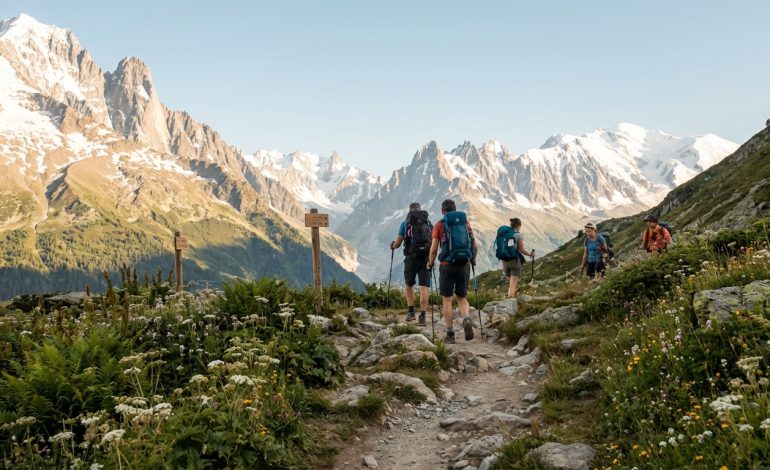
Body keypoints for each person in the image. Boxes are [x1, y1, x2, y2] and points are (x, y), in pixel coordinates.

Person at [427, 199, 479, 344]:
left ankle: (450, 333)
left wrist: (430, 263)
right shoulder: (465, 224)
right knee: (462, 297)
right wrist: (473, 259)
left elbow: (433, 249)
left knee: (447, 299)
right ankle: (466, 318)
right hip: (464, 264)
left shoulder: (440, 224)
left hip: (446, 265)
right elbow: (474, 245)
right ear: (455, 209)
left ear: (443, 211)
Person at [390, 202, 432, 325]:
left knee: (409, 285)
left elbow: (397, 244)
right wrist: (432, 257)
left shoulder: (406, 223)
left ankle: (411, 312)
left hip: (411, 258)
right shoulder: (428, 223)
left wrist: (392, 245)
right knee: (424, 287)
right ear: (420, 210)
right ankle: (423, 316)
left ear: (409, 211)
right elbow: (433, 240)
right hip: (425, 258)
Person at [503, 218, 535, 298]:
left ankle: (510, 298)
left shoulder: (505, 234)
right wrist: (530, 254)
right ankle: (510, 304)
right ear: (519, 225)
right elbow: (522, 250)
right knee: (513, 284)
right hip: (514, 261)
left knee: (510, 283)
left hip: (504, 261)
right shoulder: (518, 235)